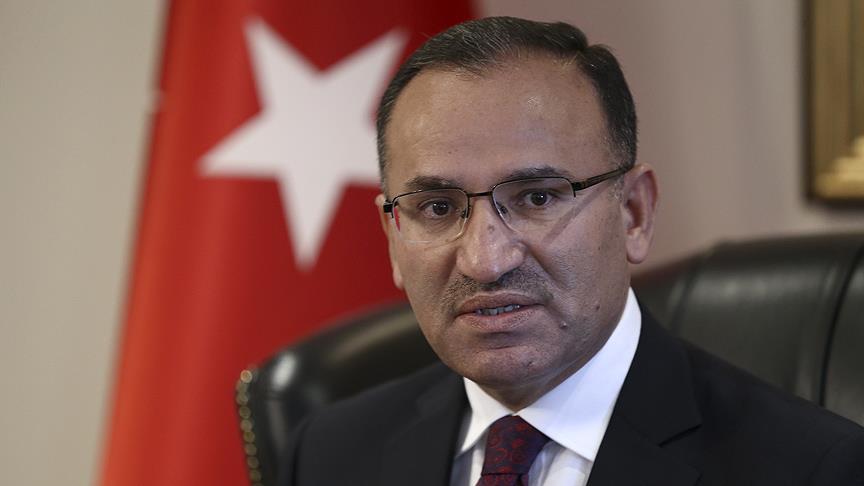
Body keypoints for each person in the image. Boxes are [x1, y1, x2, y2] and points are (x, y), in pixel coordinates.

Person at [280, 17, 864, 485]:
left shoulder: (814, 469)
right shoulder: (329, 455)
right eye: (436, 207)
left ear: (634, 213)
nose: (485, 260)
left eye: (537, 197)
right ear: (392, 236)